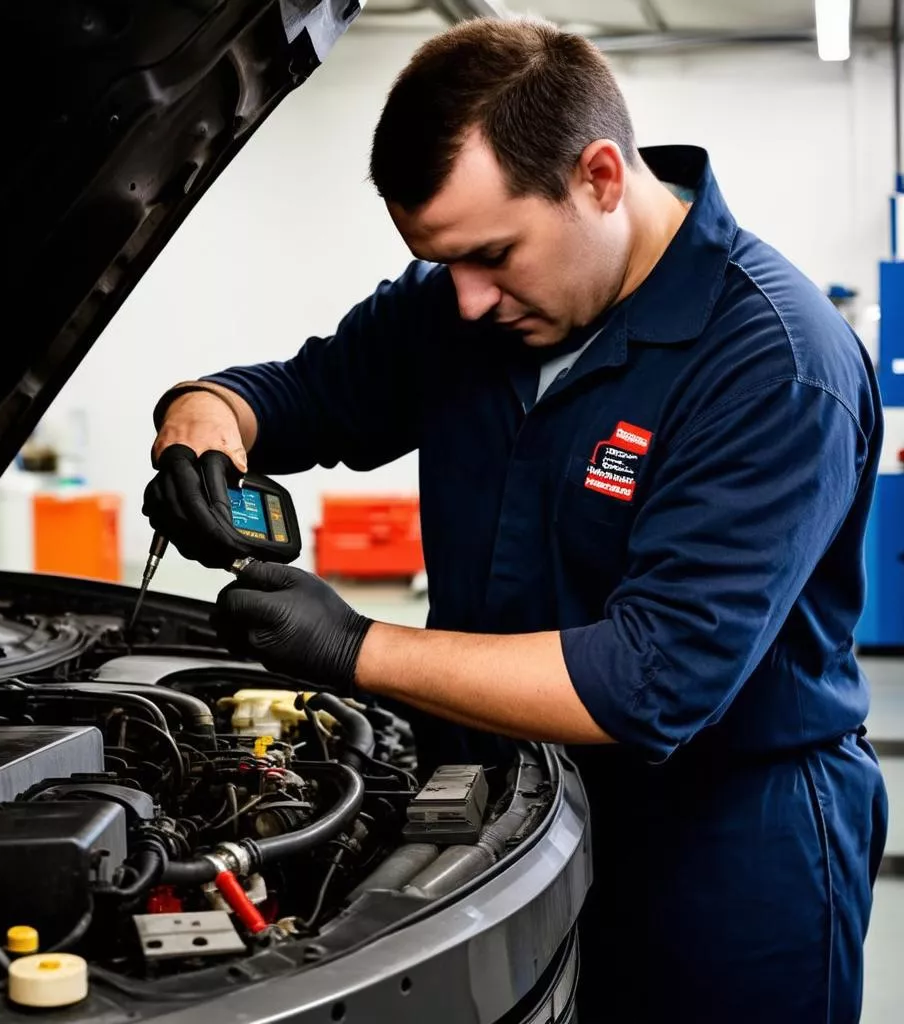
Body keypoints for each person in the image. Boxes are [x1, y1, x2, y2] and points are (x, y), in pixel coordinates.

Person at [143, 18, 888, 1024]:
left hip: (724, 848)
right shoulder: (459, 309)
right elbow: (292, 393)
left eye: (492, 255)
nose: (465, 299)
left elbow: (649, 678)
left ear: (600, 178)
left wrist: (353, 644)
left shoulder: (773, 362)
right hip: (503, 808)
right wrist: (201, 423)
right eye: (442, 261)